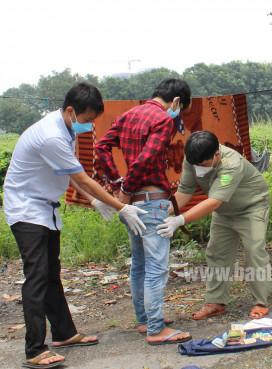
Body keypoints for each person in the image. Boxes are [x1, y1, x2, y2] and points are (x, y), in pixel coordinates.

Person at [3, 82, 147, 368]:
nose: (89, 125)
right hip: (26, 209)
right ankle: (34, 350)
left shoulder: (65, 129)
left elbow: (67, 172)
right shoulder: (50, 136)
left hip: (44, 208)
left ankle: (64, 334)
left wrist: (94, 201)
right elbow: (82, 177)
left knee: (51, 272)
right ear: (70, 110)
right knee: (37, 277)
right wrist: (121, 207)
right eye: (88, 120)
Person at [95, 78, 193, 345]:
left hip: (132, 205)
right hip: (151, 201)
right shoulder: (163, 119)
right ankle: (155, 329)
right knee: (157, 268)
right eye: (180, 110)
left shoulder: (128, 116)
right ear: (176, 102)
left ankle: (144, 321)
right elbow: (148, 157)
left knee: (139, 264)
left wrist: (116, 184)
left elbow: (100, 147)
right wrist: (124, 187)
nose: (178, 116)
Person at [157, 130, 271, 320]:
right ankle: (216, 302)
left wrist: (180, 220)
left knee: (254, 250)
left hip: (251, 207)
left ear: (216, 155)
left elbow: (214, 201)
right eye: (196, 165)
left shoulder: (231, 165)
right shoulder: (193, 158)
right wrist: (166, 210)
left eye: (203, 165)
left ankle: (261, 302)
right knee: (217, 252)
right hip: (225, 211)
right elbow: (185, 190)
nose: (199, 168)